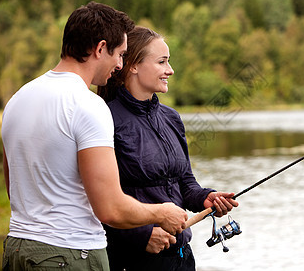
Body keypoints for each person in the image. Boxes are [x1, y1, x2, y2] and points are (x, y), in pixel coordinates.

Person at [1, 2, 188, 271]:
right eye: (120, 54)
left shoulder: (18, 99)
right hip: (71, 254)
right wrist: (162, 212)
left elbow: (13, 189)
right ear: (100, 48)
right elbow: (110, 209)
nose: (120, 65)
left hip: (17, 249)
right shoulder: (87, 105)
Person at [97, 26, 239, 271]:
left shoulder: (171, 118)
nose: (170, 70)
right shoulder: (105, 118)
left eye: (169, 62)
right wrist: (140, 235)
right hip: (131, 260)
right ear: (133, 65)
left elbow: (185, 183)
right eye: (162, 62)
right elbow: (96, 198)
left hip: (181, 257)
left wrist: (207, 198)